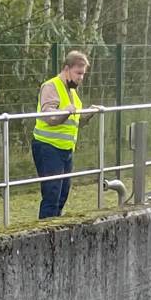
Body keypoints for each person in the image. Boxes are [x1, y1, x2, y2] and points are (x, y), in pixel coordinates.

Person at [32, 50, 104, 219]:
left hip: (66, 149)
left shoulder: (72, 92)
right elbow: (49, 116)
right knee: (52, 194)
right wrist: (65, 111)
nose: (81, 78)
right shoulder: (51, 87)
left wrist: (90, 113)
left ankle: (55, 228)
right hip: (48, 146)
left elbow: (74, 120)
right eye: (78, 73)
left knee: (63, 193)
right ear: (66, 69)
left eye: (83, 74)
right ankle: (46, 231)